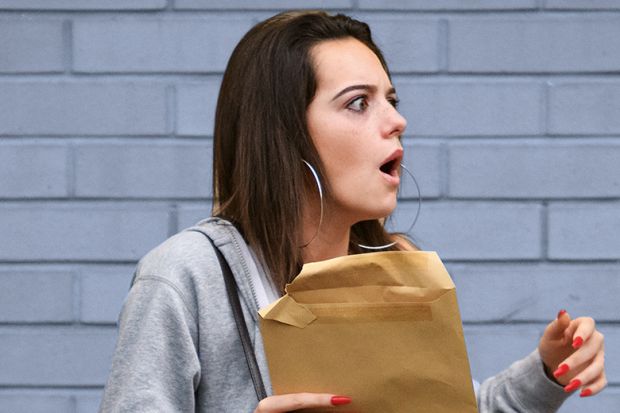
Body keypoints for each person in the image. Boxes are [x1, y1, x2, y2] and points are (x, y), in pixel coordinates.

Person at [99, 10, 606, 412]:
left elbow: (458, 408)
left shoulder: (387, 269)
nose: (398, 120)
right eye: (358, 103)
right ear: (285, 134)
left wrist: (548, 370)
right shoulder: (185, 276)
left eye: (390, 98)